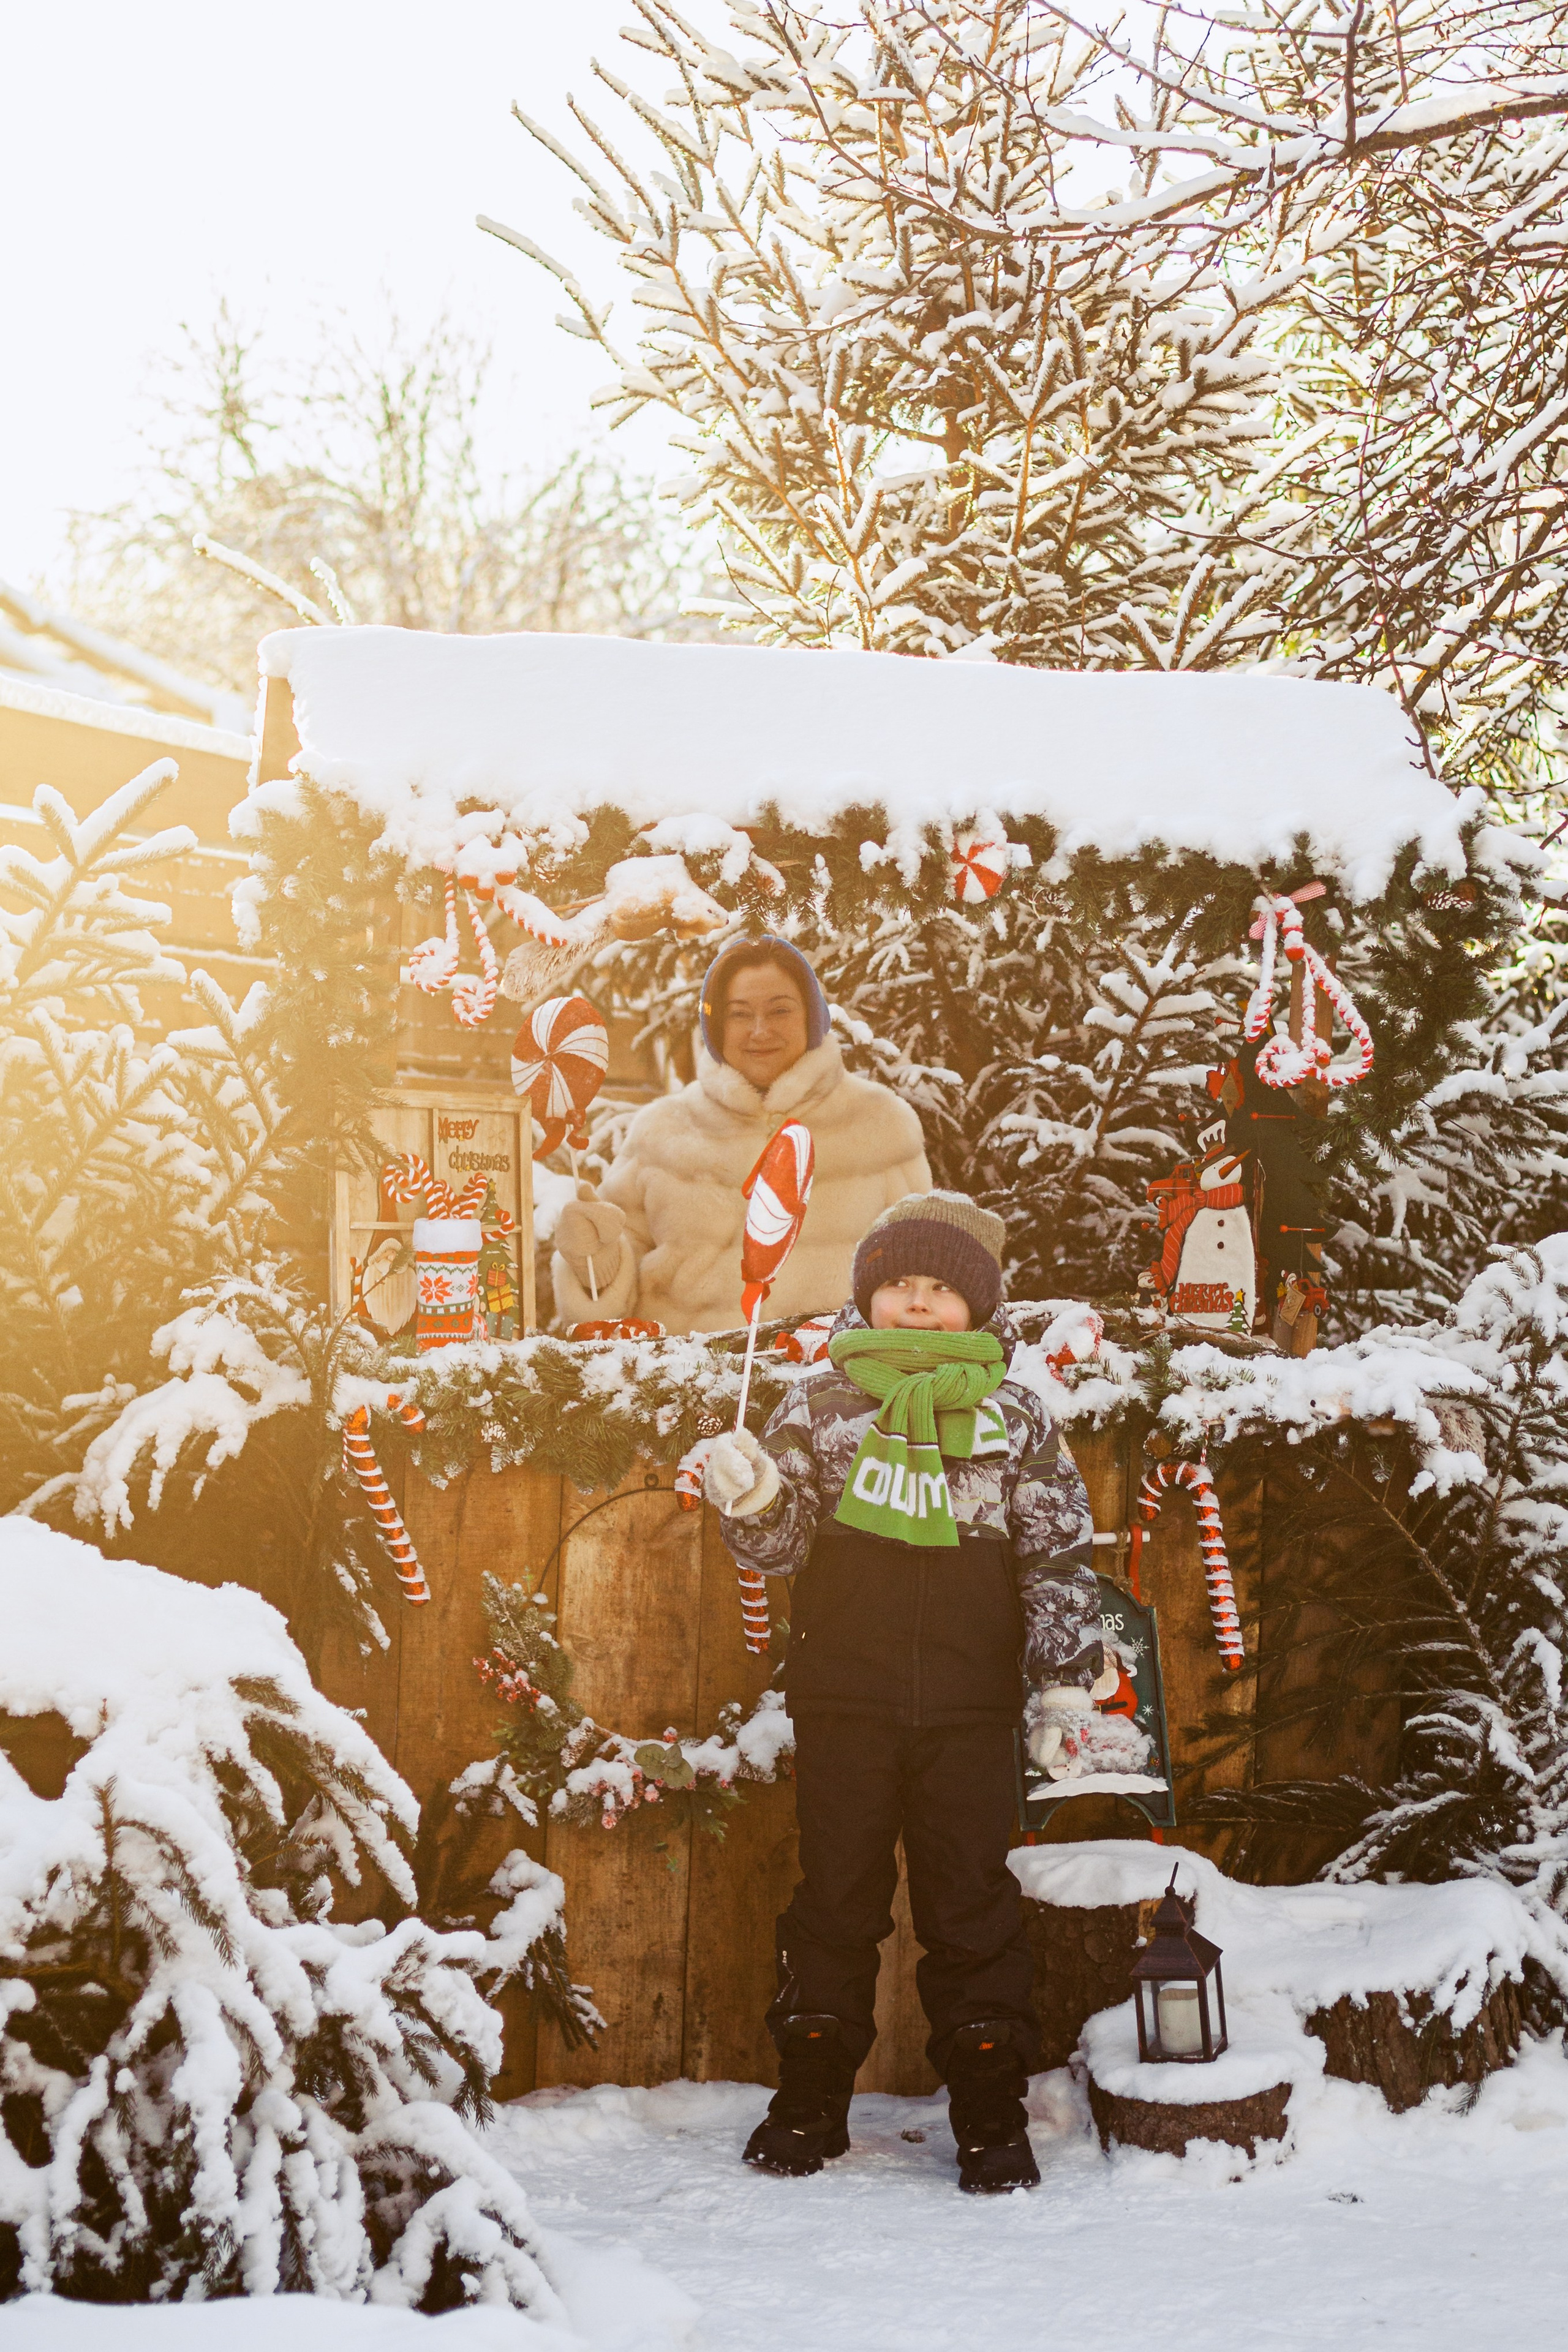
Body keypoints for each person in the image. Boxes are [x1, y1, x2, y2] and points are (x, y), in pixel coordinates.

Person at [701, 1193, 1101, 2194]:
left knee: (971, 1913)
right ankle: (809, 2100)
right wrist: (751, 1497)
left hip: (971, 1712)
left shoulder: (1013, 1415)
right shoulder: (821, 1404)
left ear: (977, 1307)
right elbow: (782, 1544)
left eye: (939, 1289)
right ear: (869, 1298)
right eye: (898, 1286)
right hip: (847, 1698)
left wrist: (1061, 1691)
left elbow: (1057, 1556)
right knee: (835, 1906)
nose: (917, 1305)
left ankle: (990, 2112)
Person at [551, 936, 931, 1332]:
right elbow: (611, 1299)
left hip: (831, 1382)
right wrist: (594, 1262)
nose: (760, 1030)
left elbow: (922, 1277)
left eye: (780, 1010)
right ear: (715, 1026)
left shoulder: (881, 1124)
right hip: (684, 1384)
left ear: (813, 1018)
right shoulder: (661, 1132)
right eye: (739, 1014)